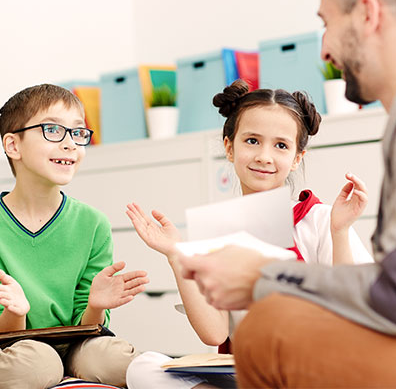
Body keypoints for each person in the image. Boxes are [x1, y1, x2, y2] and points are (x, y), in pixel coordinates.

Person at [178, 0, 396, 387]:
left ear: (368, 14)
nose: (325, 52)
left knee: (265, 333)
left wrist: (266, 276)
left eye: (326, 24)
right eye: (252, 141)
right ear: (229, 146)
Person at [124, 79, 373, 388]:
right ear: (229, 147)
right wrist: (177, 254)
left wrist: (340, 230)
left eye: (281, 145)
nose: (264, 156)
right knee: (143, 367)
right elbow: (215, 334)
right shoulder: (217, 233)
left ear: (297, 158)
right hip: (249, 373)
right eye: (252, 141)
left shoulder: (321, 219)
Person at [0, 84, 149, 389]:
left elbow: (89, 327)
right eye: (53, 130)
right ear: (13, 146)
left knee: (109, 357)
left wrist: (95, 305)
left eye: (77, 133)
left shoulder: (92, 223)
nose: (70, 144)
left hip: (79, 348)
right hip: (17, 348)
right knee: (39, 360)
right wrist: (14, 312)